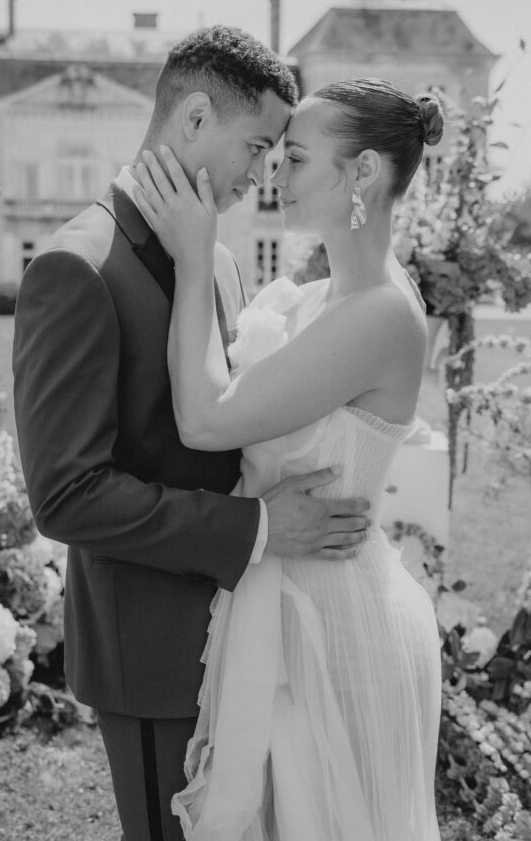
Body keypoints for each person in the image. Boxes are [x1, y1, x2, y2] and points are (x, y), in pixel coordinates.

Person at [12, 26, 371, 841]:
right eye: (255, 146)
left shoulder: (219, 261)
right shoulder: (77, 267)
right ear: (196, 118)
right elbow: (67, 496)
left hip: (247, 628)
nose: (263, 172)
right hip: (153, 653)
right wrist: (260, 525)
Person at [132, 77, 445, 841]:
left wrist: (195, 257)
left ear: (361, 173)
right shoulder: (323, 297)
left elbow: (206, 420)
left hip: (332, 627)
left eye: (297, 157)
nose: (275, 174)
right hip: (282, 607)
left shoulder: (378, 314)